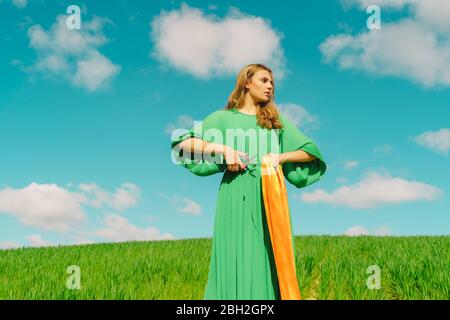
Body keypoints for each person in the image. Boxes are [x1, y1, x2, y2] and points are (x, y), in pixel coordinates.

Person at [170, 63, 326, 300]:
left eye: (272, 83)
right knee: (232, 256)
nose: (270, 86)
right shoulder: (222, 118)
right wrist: (222, 150)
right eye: (264, 80)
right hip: (233, 195)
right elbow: (182, 144)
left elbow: (310, 151)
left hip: (269, 197)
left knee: (267, 258)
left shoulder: (274, 121)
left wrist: (280, 157)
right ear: (247, 82)